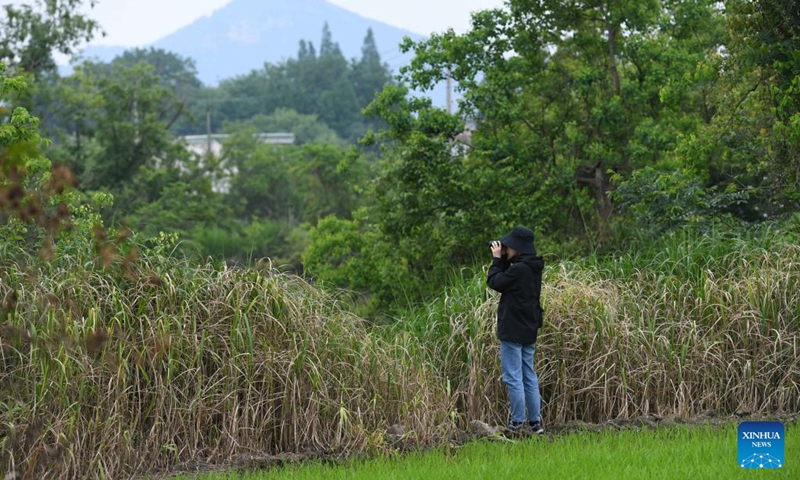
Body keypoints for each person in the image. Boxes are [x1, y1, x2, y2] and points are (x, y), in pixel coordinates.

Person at [487, 225, 545, 434]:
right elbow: (508, 277)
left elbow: (495, 281)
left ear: (518, 247)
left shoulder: (518, 269)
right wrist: (505, 258)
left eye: (510, 246)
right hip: (529, 327)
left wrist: (496, 259)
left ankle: (517, 422)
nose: (506, 248)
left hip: (512, 329)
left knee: (513, 376)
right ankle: (535, 422)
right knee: (529, 375)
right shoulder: (533, 267)